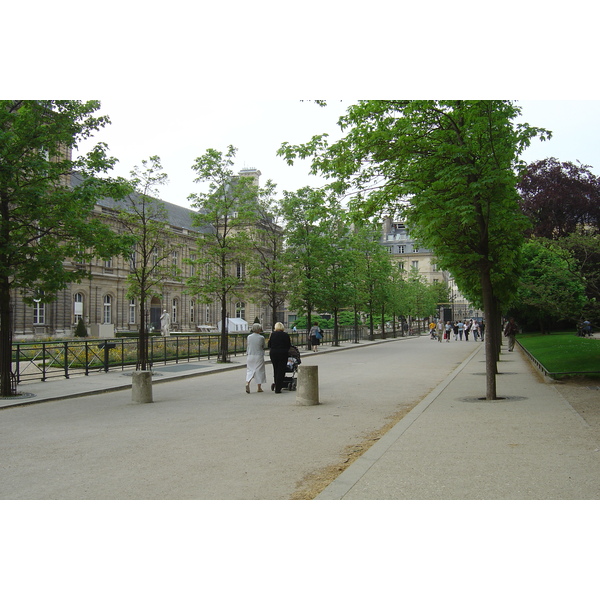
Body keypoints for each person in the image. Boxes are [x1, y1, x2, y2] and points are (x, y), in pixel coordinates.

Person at [268, 322, 291, 393]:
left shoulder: (272, 335)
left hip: (274, 353)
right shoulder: (286, 335)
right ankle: (278, 387)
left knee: (275, 369)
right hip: (283, 353)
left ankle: (276, 383)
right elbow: (289, 345)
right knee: (281, 370)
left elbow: (269, 345)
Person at [245, 323, 266, 394]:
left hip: (250, 355)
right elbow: (263, 346)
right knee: (259, 371)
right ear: (259, 329)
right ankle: (259, 387)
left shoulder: (249, 337)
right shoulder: (261, 337)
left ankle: (247, 382)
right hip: (258, 355)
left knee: (250, 370)